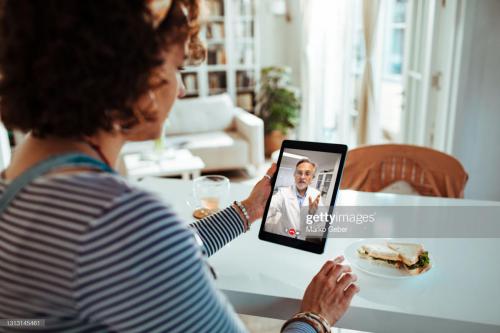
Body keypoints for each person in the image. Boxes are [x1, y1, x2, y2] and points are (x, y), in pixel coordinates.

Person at [0, 1, 359, 332]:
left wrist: (247, 211)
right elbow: (141, 247)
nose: (182, 89)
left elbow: (144, 262)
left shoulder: (16, 186)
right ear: (129, 74)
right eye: (177, 67)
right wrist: (315, 316)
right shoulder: (120, 220)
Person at [265, 159, 325, 239]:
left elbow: (321, 222)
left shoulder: (316, 195)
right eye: (299, 173)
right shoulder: (283, 192)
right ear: (294, 175)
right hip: (283, 236)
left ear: (312, 178)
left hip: (303, 239)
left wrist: (311, 214)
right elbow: (269, 208)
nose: (302, 177)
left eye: (307, 174)